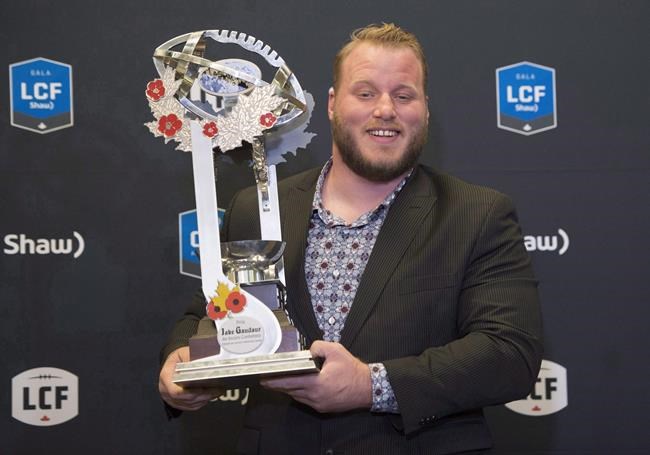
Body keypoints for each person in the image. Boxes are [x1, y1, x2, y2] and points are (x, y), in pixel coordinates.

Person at [159, 23, 543, 454]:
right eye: (365, 93)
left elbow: (510, 354)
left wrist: (370, 384)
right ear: (332, 104)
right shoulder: (257, 208)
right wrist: (180, 358)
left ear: (425, 109)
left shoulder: (476, 214)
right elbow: (209, 309)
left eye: (404, 95)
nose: (385, 109)